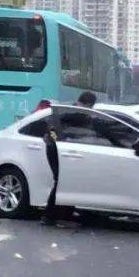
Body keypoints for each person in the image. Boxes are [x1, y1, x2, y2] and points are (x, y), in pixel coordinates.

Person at [41, 91, 97, 226]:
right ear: (88, 104)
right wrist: (60, 142)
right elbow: (51, 128)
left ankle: (65, 214)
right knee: (60, 180)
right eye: (91, 107)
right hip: (56, 149)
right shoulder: (71, 112)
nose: (91, 110)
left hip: (64, 148)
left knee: (69, 179)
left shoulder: (79, 112)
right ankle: (49, 215)